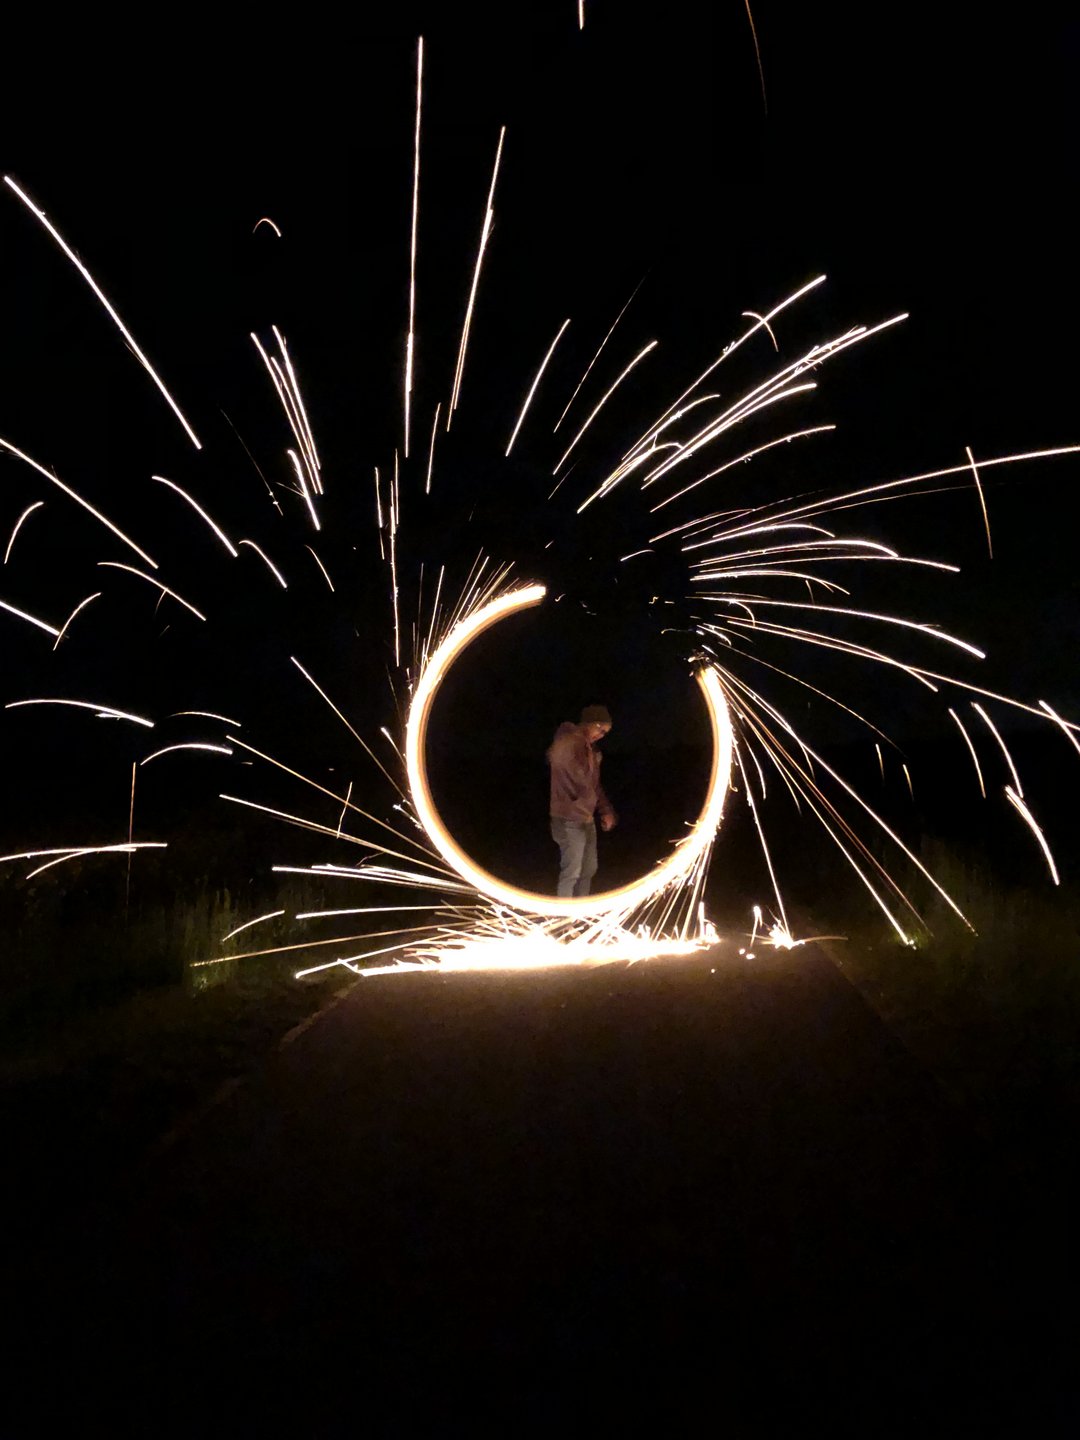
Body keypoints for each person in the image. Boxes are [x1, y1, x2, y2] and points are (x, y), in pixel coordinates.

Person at [547, 704, 618, 898]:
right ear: (588, 723)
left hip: (585, 818)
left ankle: (580, 912)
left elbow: (594, 785)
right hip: (567, 818)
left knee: (588, 869)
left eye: (605, 732)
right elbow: (564, 766)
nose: (601, 735)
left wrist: (605, 809)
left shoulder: (591, 751)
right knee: (572, 872)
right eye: (600, 728)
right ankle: (565, 916)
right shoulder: (568, 742)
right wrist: (578, 794)